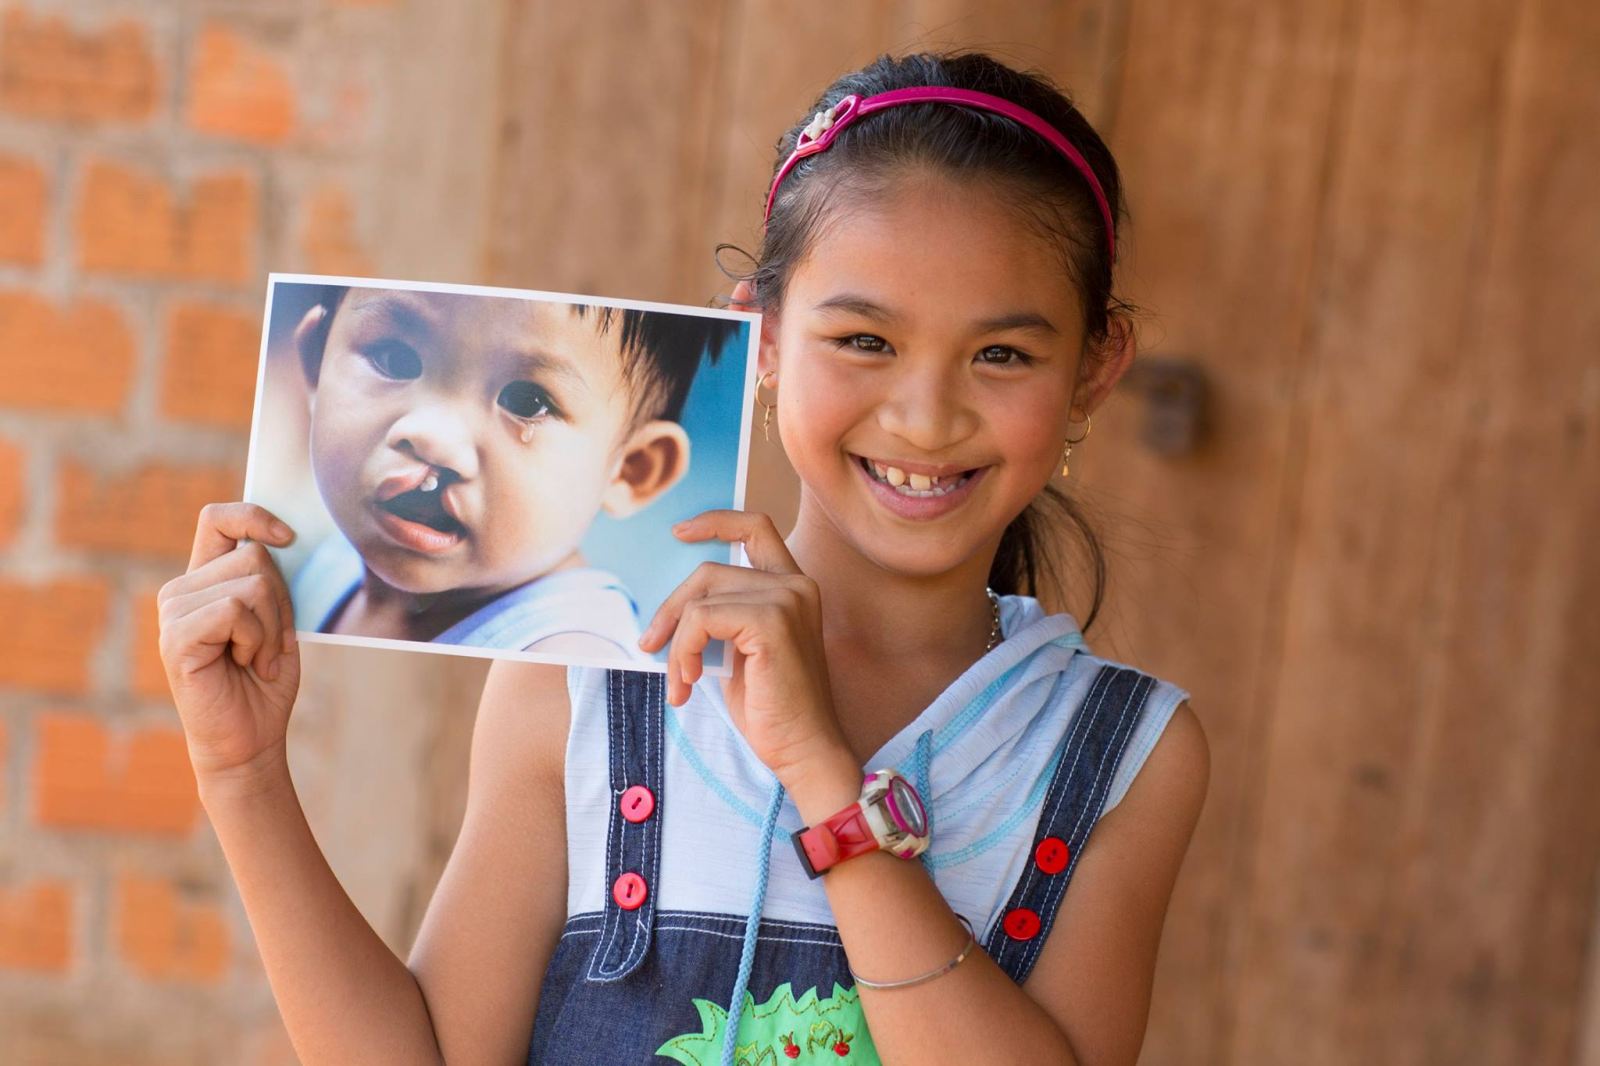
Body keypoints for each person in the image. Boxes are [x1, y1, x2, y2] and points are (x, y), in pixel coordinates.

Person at [158, 50, 1209, 1066]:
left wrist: (820, 771)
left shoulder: (1124, 755)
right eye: (863, 341)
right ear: (760, 337)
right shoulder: (588, 678)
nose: (925, 416)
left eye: (1001, 355)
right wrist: (241, 775)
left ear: (1092, 369)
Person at [282, 284, 739, 658]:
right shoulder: (328, 562)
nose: (435, 440)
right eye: (395, 359)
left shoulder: (570, 657)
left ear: (630, 471)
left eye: (526, 401)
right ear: (315, 362)